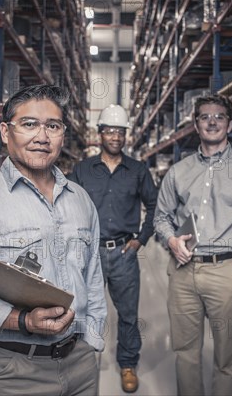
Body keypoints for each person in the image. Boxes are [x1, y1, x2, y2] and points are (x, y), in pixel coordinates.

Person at [0, 84, 107, 396]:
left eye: (52, 126)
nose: (42, 137)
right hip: (10, 372)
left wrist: (92, 339)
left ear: (62, 135)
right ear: (4, 131)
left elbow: (92, 277)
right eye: (29, 124)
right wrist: (22, 321)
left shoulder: (81, 200)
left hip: (80, 365)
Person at [153, 94, 232, 396]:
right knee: (185, 352)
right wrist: (170, 239)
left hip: (226, 273)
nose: (212, 122)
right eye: (205, 117)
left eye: (219, 116)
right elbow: (161, 217)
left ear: (230, 124)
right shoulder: (179, 171)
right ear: (196, 124)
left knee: (227, 358)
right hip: (183, 271)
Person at [69, 104, 158, 393]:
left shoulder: (138, 170)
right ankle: (81, 360)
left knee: (128, 314)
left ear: (126, 135)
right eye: (110, 130)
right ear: (100, 134)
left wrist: (140, 240)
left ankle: (128, 364)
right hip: (90, 252)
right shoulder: (82, 170)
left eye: (120, 131)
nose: (115, 136)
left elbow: (155, 206)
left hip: (123, 253)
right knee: (80, 310)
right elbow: (67, 207)